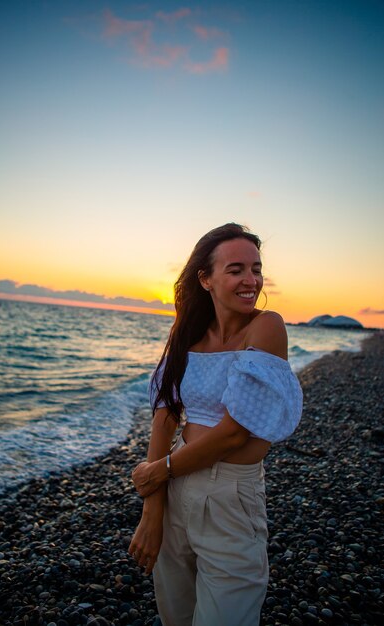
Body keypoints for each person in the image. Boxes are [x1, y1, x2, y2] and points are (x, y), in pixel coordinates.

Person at [129, 223, 303, 626]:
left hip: (231, 494)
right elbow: (166, 413)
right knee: (177, 614)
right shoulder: (188, 333)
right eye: (236, 269)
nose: (251, 280)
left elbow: (235, 432)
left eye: (256, 269)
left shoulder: (266, 326)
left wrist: (159, 471)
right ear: (205, 279)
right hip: (174, 490)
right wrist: (152, 509)